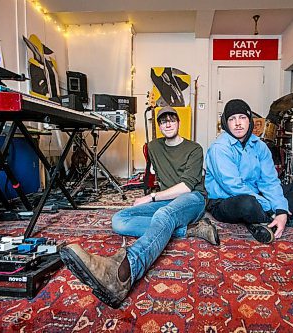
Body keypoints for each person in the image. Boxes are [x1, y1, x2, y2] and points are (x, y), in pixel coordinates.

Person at [60, 106, 219, 308]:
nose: (168, 124)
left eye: (172, 119)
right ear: (159, 126)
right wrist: (152, 194)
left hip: (192, 199)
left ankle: (125, 271)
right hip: (166, 201)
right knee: (119, 220)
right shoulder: (153, 147)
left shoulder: (194, 148)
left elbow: (187, 186)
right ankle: (190, 230)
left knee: (164, 213)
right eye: (163, 121)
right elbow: (151, 175)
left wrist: (151, 197)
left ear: (179, 123)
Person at [205, 99, 293, 244]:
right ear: (226, 123)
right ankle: (274, 218)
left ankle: (273, 219)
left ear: (249, 121)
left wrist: (281, 209)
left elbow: (269, 181)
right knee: (247, 204)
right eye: (232, 119)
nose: (238, 123)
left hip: (256, 194)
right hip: (225, 200)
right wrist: (270, 206)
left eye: (242, 117)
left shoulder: (260, 146)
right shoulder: (219, 148)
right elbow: (233, 186)